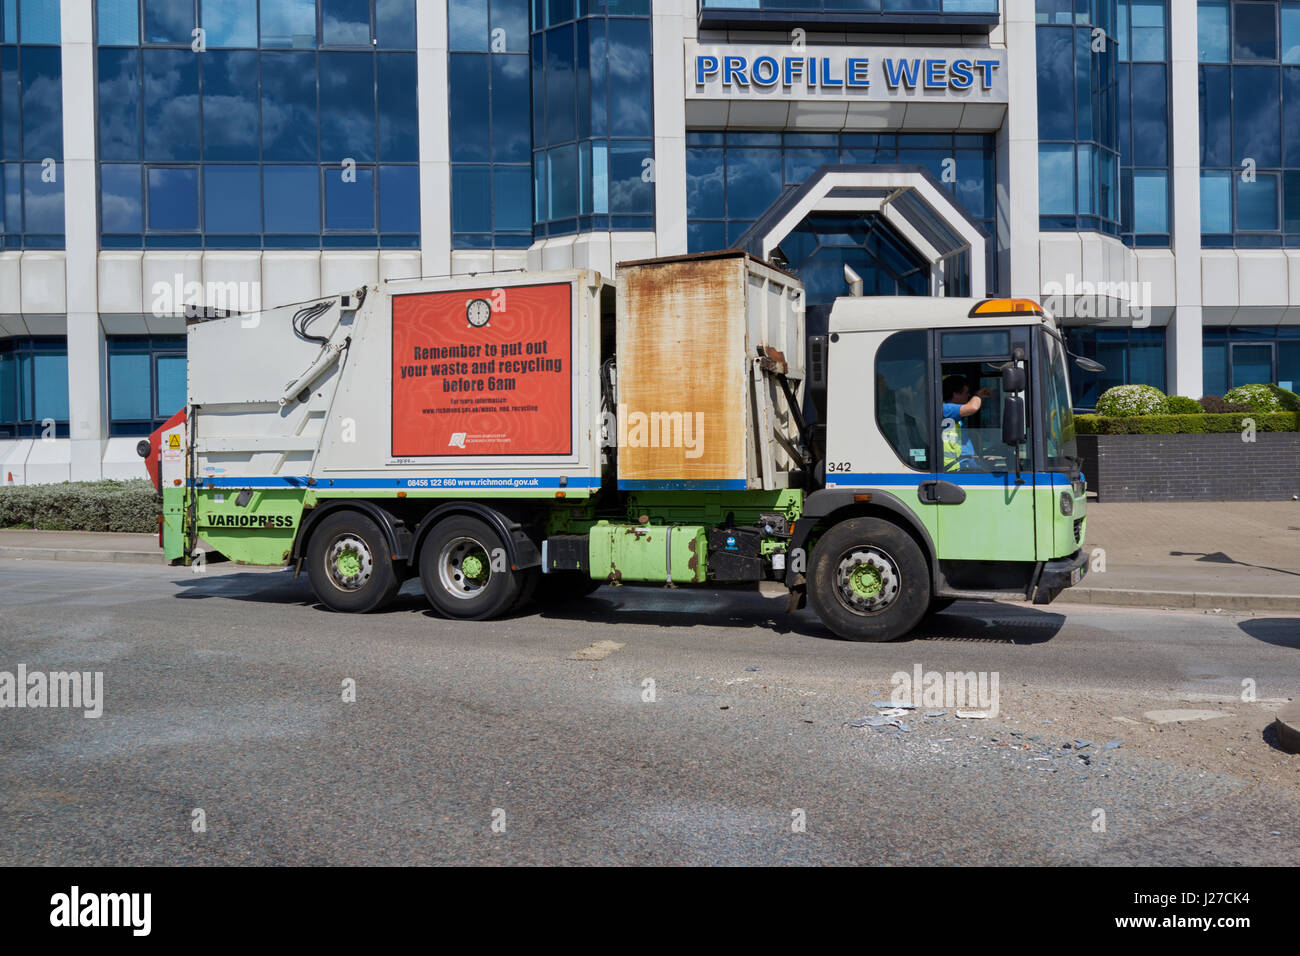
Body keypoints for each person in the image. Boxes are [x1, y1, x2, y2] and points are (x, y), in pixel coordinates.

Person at [941, 375, 993, 472]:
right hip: (953, 469)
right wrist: (978, 395)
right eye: (966, 393)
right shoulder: (946, 409)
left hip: (964, 465)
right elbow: (972, 407)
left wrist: (978, 461)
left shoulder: (955, 415)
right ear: (955, 394)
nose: (968, 396)